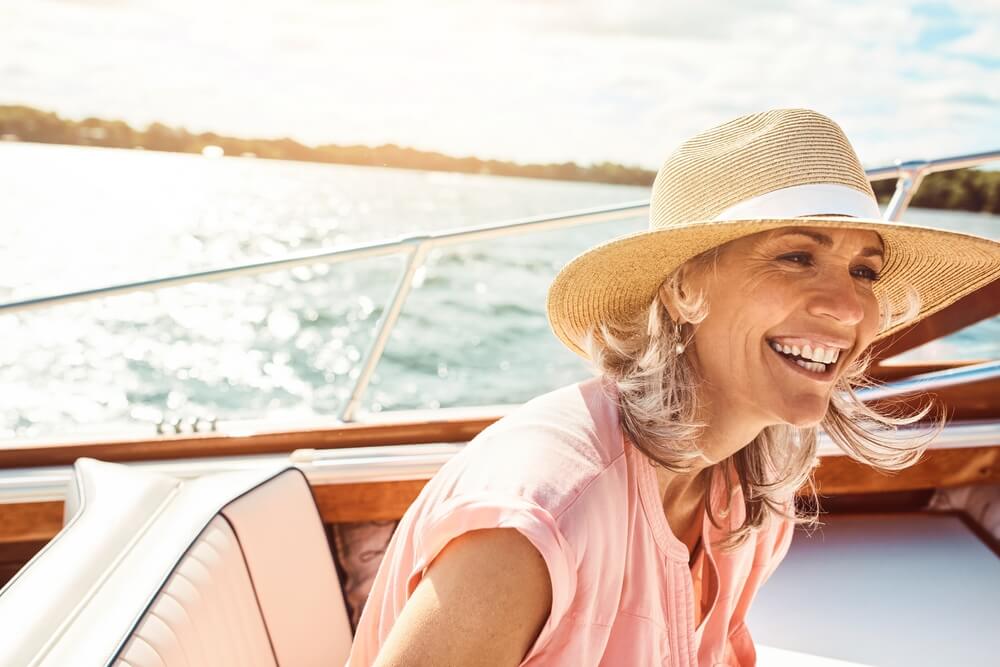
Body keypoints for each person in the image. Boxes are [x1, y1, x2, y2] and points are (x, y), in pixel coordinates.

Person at [345, 109, 1000, 666]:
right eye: (796, 256)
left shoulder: (751, 492)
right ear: (684, 289)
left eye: (863, 270)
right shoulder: (543, 513)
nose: (849, 307)